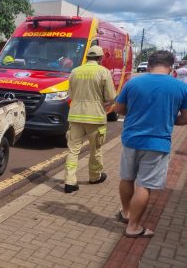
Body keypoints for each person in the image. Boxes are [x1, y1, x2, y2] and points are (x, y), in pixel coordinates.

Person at [115, 51, 187, 238]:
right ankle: (133, 227)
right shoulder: (180, 87)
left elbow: (119, 109)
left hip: (131, 140)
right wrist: (170, 119)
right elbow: (185, 118)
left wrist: (136, 115)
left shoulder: (132, 83)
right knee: (144, 186)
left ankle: (125, 212)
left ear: (149, 65)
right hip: (158, 143)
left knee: (127, 178)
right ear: (172, 68)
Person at [64, 45, 116, 193]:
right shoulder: (103, 72)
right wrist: (102, 102)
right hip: (95, 117)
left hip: (75, 115)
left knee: (73, 150)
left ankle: (69, 181)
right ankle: (94, 176)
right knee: (96, 149)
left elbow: (71, 95)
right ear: (100, 58)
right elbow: (111, 97)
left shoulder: (75, 71)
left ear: (87, 57)